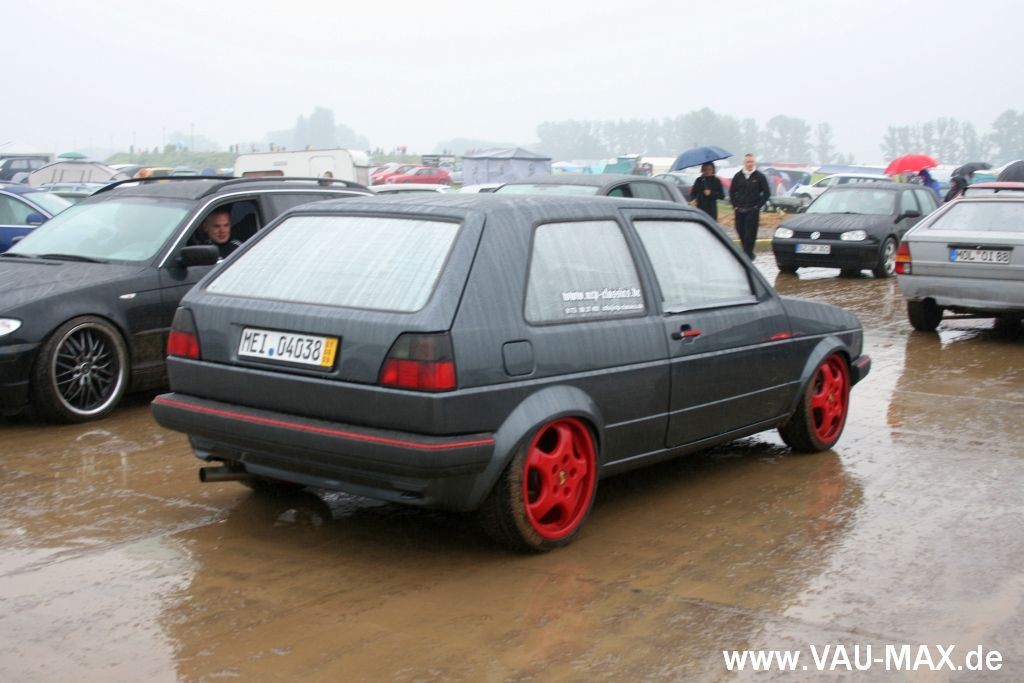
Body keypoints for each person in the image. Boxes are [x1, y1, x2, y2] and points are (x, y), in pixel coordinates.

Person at [730, 153, 772, 259]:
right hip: (740, 210)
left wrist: (758, 206)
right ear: (744, 163)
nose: (750, 164)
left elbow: (766, 193)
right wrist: (735, 205)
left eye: (752, 162)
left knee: (750, 235)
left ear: (754, 163)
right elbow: (732, 192)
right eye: (748, 162)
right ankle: (748, 254)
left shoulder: (760, 176)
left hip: (752, 210)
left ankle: (748, 256)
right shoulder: (738, 176)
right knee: (741, 232)